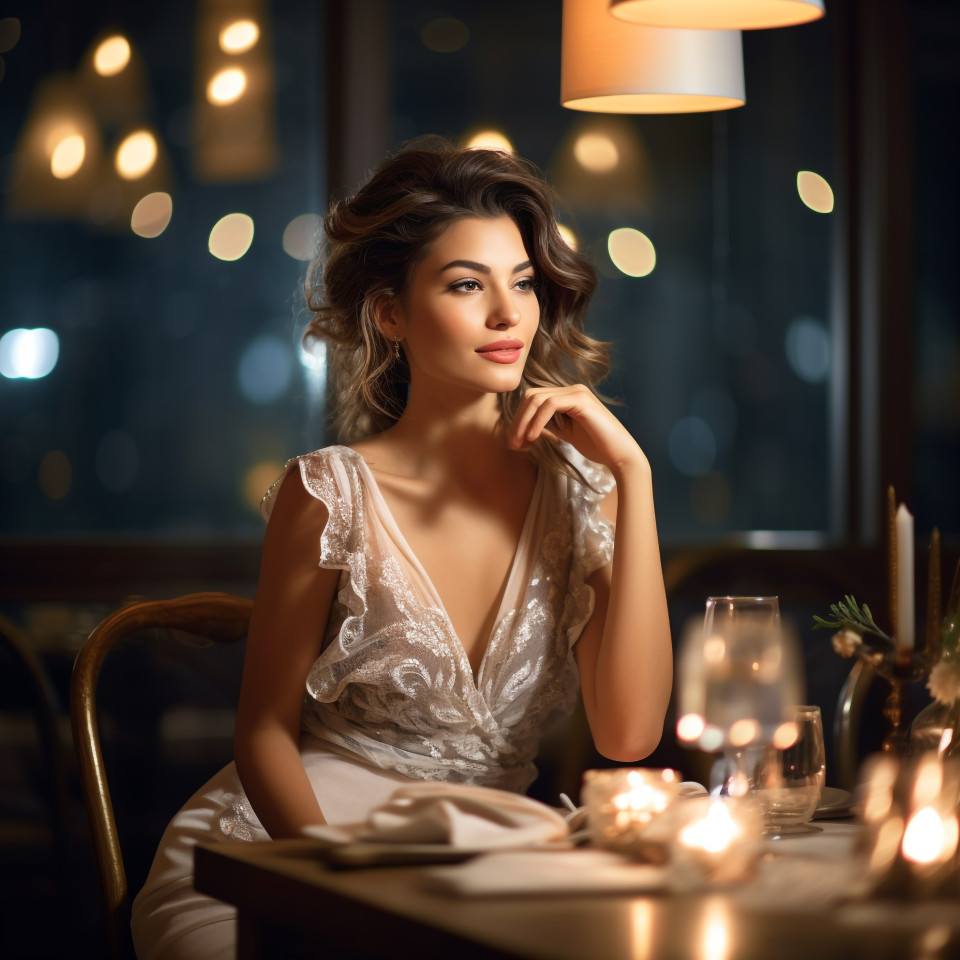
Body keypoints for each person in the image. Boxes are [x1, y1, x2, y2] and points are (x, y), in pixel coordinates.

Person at [130, 139, 672, 959]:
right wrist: (336, 890)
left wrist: (634, 477)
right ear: (390, 313)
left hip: (489, 871)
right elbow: (264, 736)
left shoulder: (579, 491)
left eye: (522, 282)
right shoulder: (330, 493)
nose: (508, 315)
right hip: (290, 856)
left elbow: (628, 735)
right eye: (466, 285)